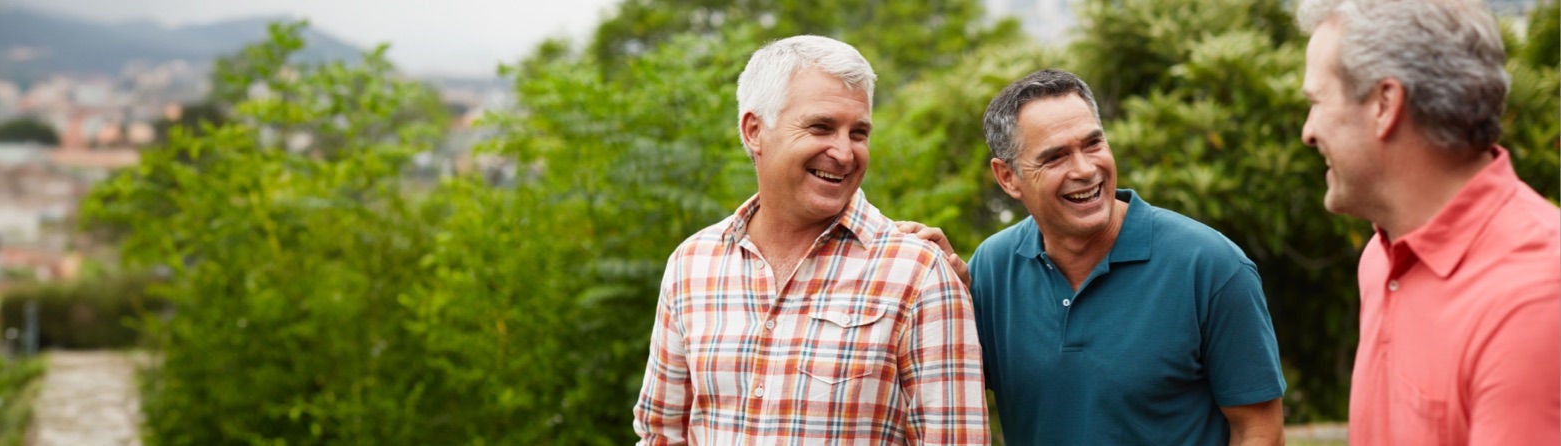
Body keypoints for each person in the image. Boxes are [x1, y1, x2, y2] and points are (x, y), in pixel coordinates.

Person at [631, 35, 988, 445]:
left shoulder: (919, 273)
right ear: (754, 131)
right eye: (821, 127)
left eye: (859, 133)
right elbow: (661, 435)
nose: (844, 153)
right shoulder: (692, 263)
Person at [906, 68, 1287, 444]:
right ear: (1008, 177)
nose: (1085, 169)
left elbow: (1259, 430)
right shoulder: (993, 267)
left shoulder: (1211, 265)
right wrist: (945, 293)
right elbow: (948, 387)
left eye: (1093, 144)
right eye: (1055, 157)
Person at [1296, 0, 1561, 443]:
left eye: (1317, 102)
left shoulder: (1534, 299)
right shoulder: (1382, 259)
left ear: (1385, 104)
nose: (1308, 131)